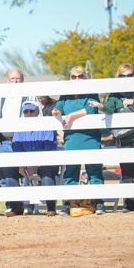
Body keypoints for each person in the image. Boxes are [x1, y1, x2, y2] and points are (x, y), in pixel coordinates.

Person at [52, 66, 105, 215]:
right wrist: (56, 113)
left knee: (94, 171)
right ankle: (69, 203)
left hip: (90, 138)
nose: (77, 79)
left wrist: (70, 116)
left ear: (85, 78)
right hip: (71, 138)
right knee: (71, 172)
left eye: (80, 76)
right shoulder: (65, 94)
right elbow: (58, 108)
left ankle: (99, 203)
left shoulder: (91, 92)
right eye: (74, 77)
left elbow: (92, 109)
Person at [0, 68, 38, 216]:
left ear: (23, 80)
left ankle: (29, 205)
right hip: (5, 142)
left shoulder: (29, 96)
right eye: (13, 79)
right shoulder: (1, 99)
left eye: (18, 78)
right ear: (8, 80)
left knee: (26, 173)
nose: (15, 81)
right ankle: (14, 206)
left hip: (25, 141)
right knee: (7, 176)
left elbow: (38, 118)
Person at [101, 63, 134, 212]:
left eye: (129, 75)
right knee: (127, 173)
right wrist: (101, 107)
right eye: (123, 75)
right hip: (123, 139)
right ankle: (129, 205)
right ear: (118, 77)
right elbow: (109, 109)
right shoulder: (114, 95)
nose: (126, 78)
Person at [12, 100, 59, 215]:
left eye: (31, 111)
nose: (29, 114)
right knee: (8, 170)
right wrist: (21, 166)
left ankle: (50, 207)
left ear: (37, 111)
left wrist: (34, 166)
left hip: (44, 163)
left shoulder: (46, 126)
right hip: (26, 163)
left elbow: (49, 151)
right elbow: (16, 149)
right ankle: (15, 206)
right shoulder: (20, 129)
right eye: (26, 112)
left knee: (47, 169)